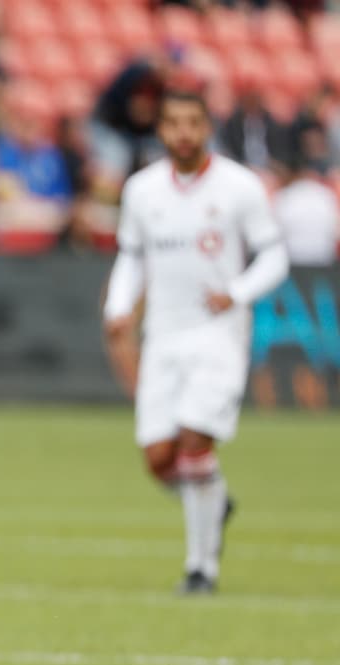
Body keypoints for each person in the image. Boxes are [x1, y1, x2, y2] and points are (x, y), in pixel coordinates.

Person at [103, 89, 288, 595]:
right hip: (163, 333)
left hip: (218, 336)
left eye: (192, 122)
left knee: (193, 442)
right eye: (173, 123)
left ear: (206, 126)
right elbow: (132, 257)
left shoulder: (239, 187)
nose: (183, 132)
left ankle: (200, 569)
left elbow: (275, 257)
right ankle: (213, 502)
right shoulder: (142, 190)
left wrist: (237, 292)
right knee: (160, 459)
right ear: (161, 130)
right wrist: (119, 307)